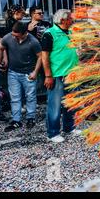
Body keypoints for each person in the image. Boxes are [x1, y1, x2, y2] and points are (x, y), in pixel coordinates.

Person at [41, 9, 80, 143]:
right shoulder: (49, 34)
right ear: (62, 20)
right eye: (70, 18)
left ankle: (69, 127)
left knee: (70, 103)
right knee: (55, 105)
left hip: (72, 74)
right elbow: (44, 56)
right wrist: (48, 76)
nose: (72, 20)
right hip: (57, 75)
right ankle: (53, 133)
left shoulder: (70, 33)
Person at [0, 21, 42, 131]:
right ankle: (16, 120)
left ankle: (30, 118)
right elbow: (0, 48)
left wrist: (35, 72)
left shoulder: (33, 41)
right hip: (13, 72)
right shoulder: (8, 37)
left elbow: (40, 57)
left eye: (16, 35)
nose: (13, 36)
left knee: (30, 97)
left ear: (24, 33)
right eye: (13, 34)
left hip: (28, 73)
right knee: (15, 98)